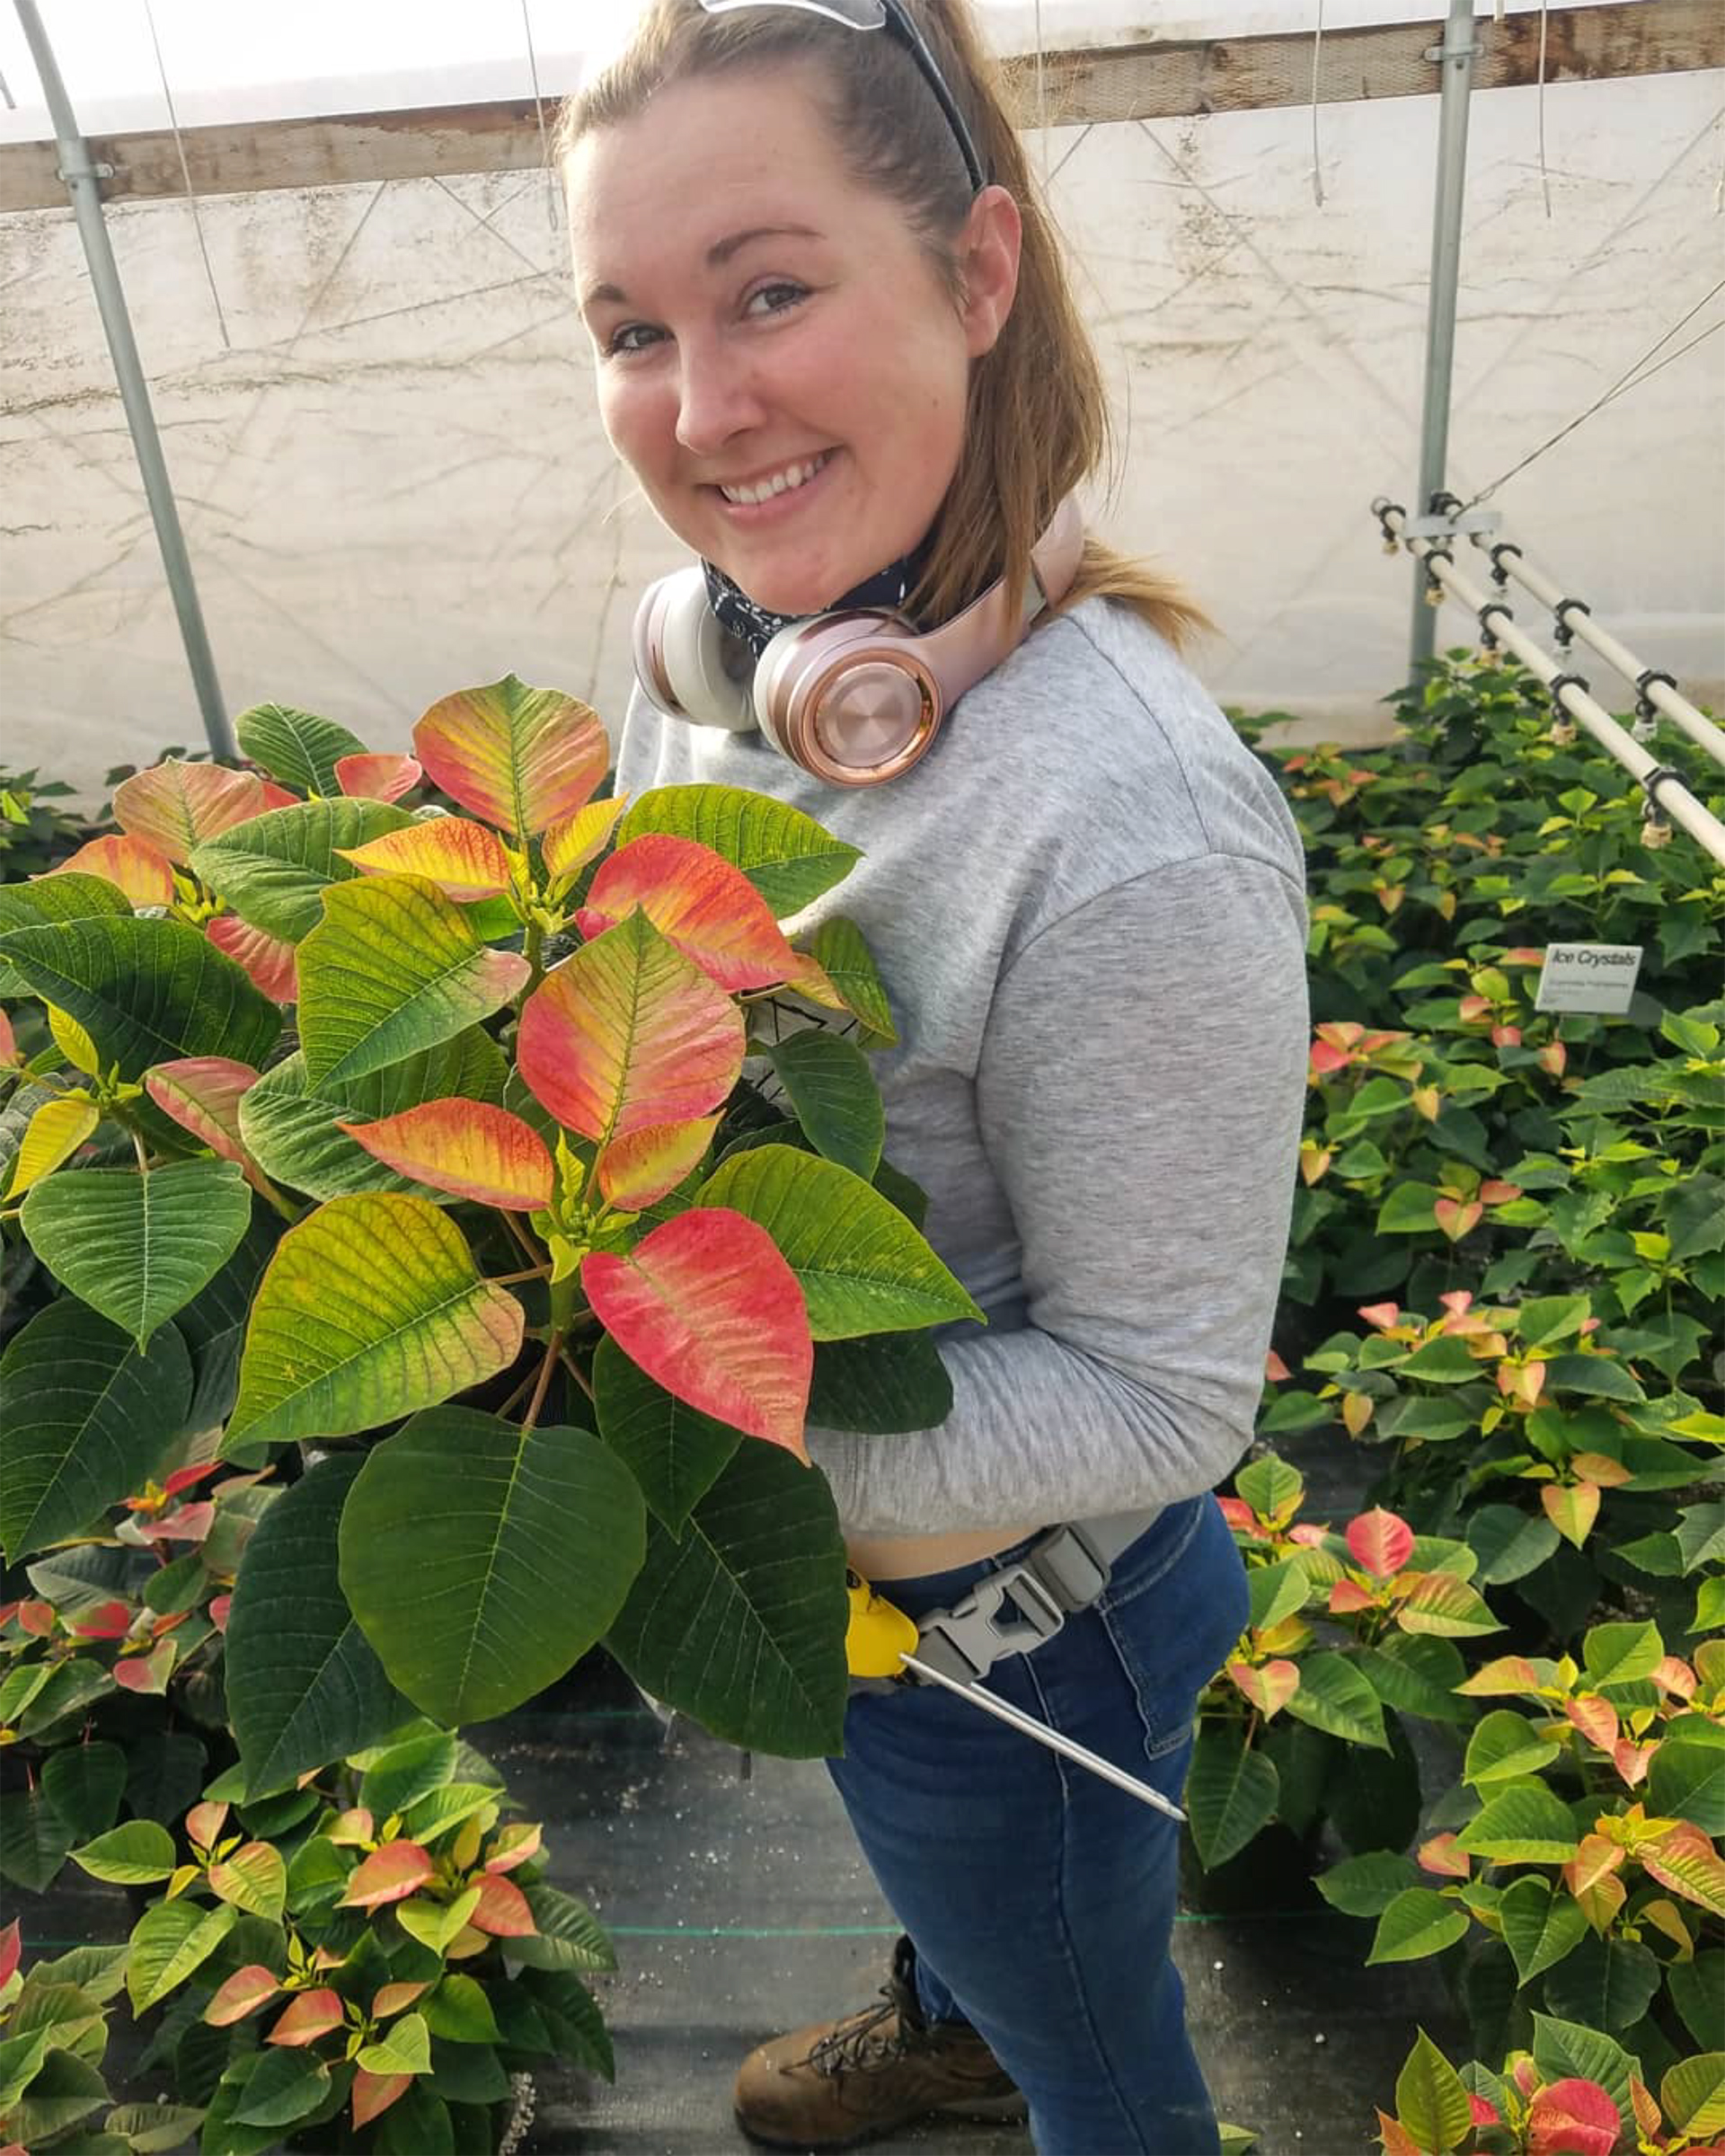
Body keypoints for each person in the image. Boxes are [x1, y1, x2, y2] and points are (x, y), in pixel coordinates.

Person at [556, 3, 1308, 2148]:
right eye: (632, 329)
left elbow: (1165, 1403)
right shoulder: (724, 663)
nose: (702, 408)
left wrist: (658, 1440)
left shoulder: (1132, 826)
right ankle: (955, 2010)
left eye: (771, 291)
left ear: (977, 274)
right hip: (871, 1579)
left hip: (1022, 1628)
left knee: (1101, 2049)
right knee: (974, 1903)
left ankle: (1018, 2039)